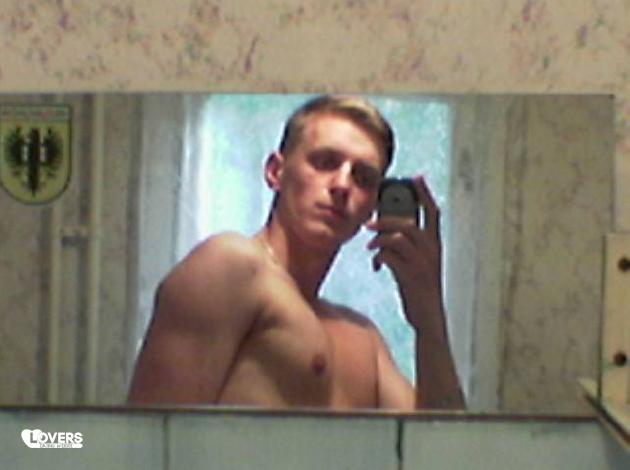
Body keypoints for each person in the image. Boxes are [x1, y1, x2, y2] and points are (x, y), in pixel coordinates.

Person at [127, 95, 465, 410]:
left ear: (371, 207)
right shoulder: (230, 266)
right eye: (324, 162)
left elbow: (445, 447)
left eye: (363, 177)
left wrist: (429, 318)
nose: (342, 185)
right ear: (275, 171)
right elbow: (149, 438)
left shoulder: (364, 341)